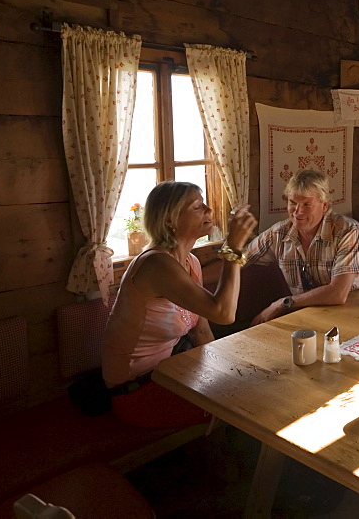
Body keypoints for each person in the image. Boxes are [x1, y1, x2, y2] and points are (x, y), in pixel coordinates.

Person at [102, 181, 257, 428]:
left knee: (248, 382)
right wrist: (233, 247)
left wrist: (225, 371)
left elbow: (202, 330)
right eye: (197, 206)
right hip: (135, 389)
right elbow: (224, 313)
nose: (208, 209)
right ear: (169, 220)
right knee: (243, 406)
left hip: (170, 370)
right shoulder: (156, 265)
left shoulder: (190, 262)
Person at [244, 169, 359, 325]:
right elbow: (239, 259)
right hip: (305, 319)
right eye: (292, 203)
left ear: (324, 206)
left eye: (307, 204)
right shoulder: (279, 233)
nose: (297, 212)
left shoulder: (347, 230)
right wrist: (201, 278)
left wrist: (282, 304)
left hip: (349, 316)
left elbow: (338, 293)